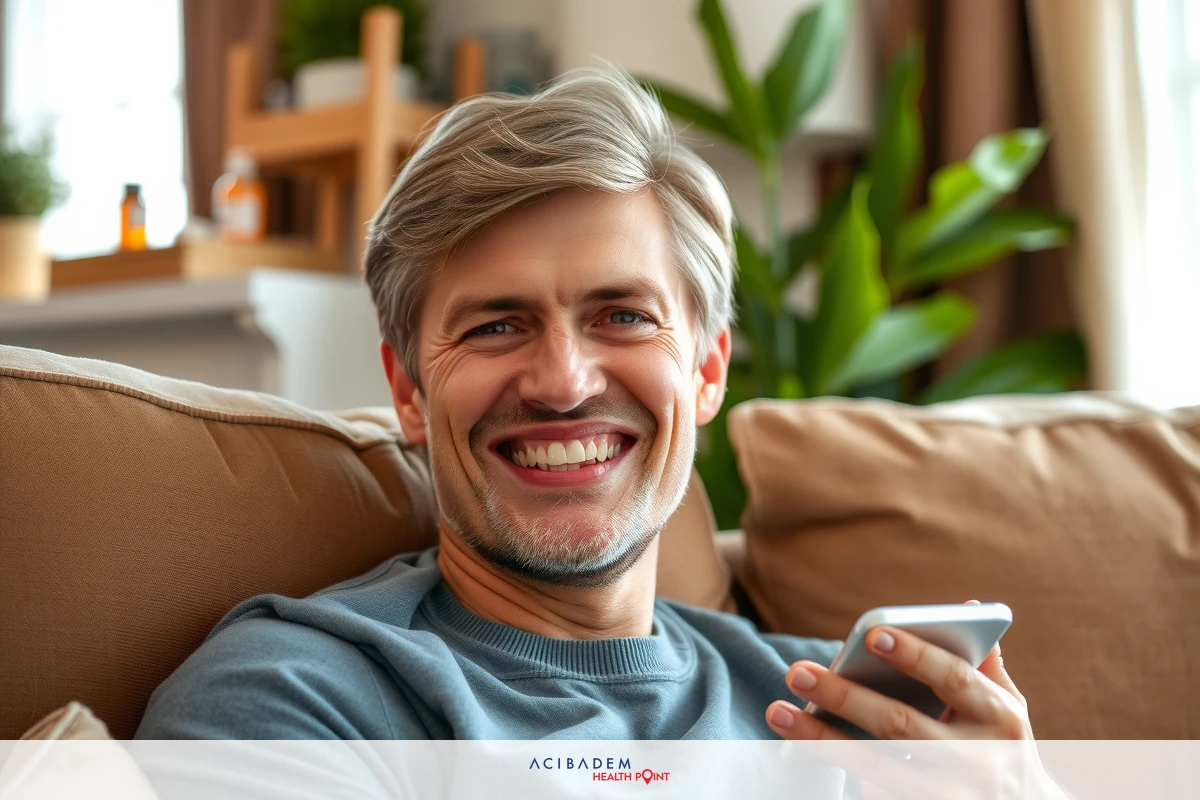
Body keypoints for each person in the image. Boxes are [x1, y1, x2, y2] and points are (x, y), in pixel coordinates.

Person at [135, 65, 1059, 796]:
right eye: (496, 325)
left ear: (705, 372)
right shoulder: (293, 702)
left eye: (621, 315)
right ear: (408, 391)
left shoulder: (847, 710)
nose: (563, 384)